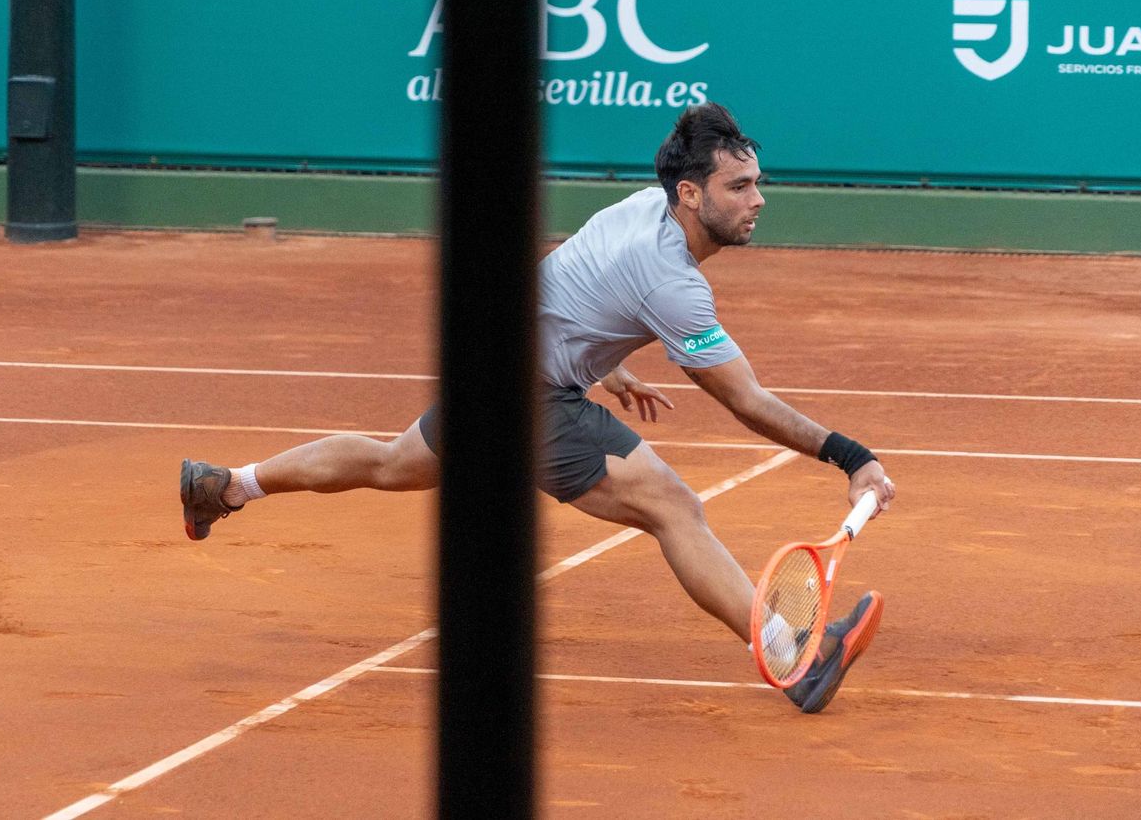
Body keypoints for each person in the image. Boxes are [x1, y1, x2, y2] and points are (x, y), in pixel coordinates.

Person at [181, 102, 897, 714]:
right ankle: (788, 658)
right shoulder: (672, 282)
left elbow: (570, 287)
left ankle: (226, 485)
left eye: (757, 184)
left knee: (394, 462)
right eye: (739, 187)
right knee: (673, 507)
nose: (757, 200)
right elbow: (745, 399)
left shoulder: (641, 208)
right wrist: (852, 457)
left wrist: (606, 367)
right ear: (688, 193)